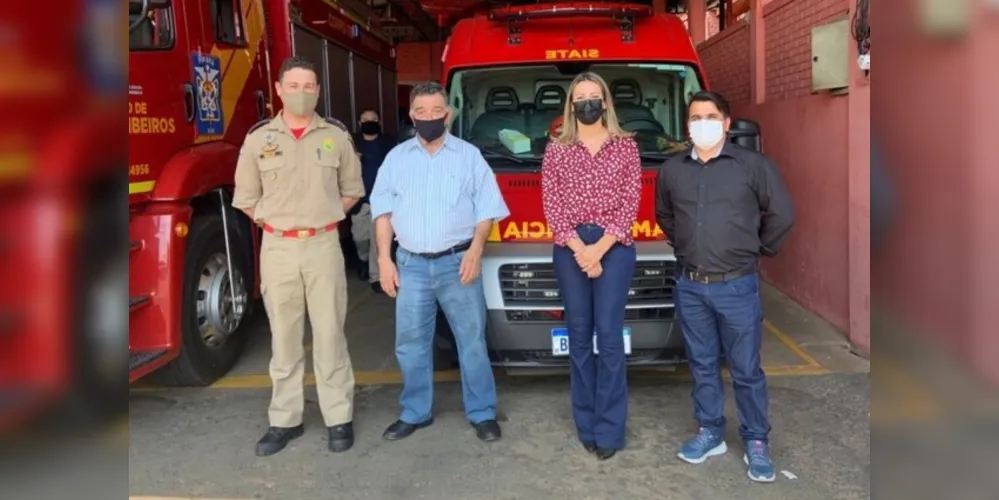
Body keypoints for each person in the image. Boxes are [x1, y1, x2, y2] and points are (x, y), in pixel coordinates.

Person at [655, 91, 795, 482]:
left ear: (727, 123)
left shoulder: (754, 167)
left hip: (737, 286)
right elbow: (665, 215)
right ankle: (710, 431)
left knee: (746, 369)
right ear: (687, 125)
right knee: (701, 364)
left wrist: (757, 249)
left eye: (711, 116)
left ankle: (756, 441)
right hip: (691, 285)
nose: (703, 123)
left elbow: (782, 214)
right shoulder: (673, 170)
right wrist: (686, 247)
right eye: (695, 117)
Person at [233, 56, 364, 457]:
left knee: (329, 335)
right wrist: (279, 224)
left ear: (319, 91)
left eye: (309, 86)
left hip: (323, 246)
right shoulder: (258, 140)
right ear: (278, 89)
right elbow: (247, 199)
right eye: (294, 85)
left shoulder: (337, 137)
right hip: (278, 249)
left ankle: (338, 417)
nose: (302, 93)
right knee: (284, 339)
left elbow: (352, 190)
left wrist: (323, 218)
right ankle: (284, 420)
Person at [369, 81, 510, 443]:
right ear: (412, 115)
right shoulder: (396, 159)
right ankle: (415, 412)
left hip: (458, 263)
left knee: (472, 341)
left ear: (447, 114)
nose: (429, 117)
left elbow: (487, 211)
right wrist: (384, 260)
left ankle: (482, 413)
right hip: (411, 266)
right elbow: (382, 214)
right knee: (411, 343)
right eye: (421, 112)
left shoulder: (469, 157)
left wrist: (476, 251)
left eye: (436, 111)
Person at [540, 72, 641, 461]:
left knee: (610, 339)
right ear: (570, 105)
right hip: (570, 248)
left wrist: (598, 250)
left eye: (593, 96)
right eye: (579, 97)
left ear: (605, 102)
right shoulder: (557, 148)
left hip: (614, 247)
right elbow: (554, 206)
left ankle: (610, 430)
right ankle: (586, 425)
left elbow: (629, 202)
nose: (586, 103)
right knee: (579, 337)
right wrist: (581, 250)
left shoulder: (625, 147)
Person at [350, 108, 397, 293]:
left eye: (374, 119)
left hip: (381, 199)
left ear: (379, 122)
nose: (370, 122)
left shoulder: (390, 143)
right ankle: (362, 259)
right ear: (360, 124)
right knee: (360, 238)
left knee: (377, 239)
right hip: (359, 200)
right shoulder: (351, 143)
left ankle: (375, 278)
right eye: (365, 119)